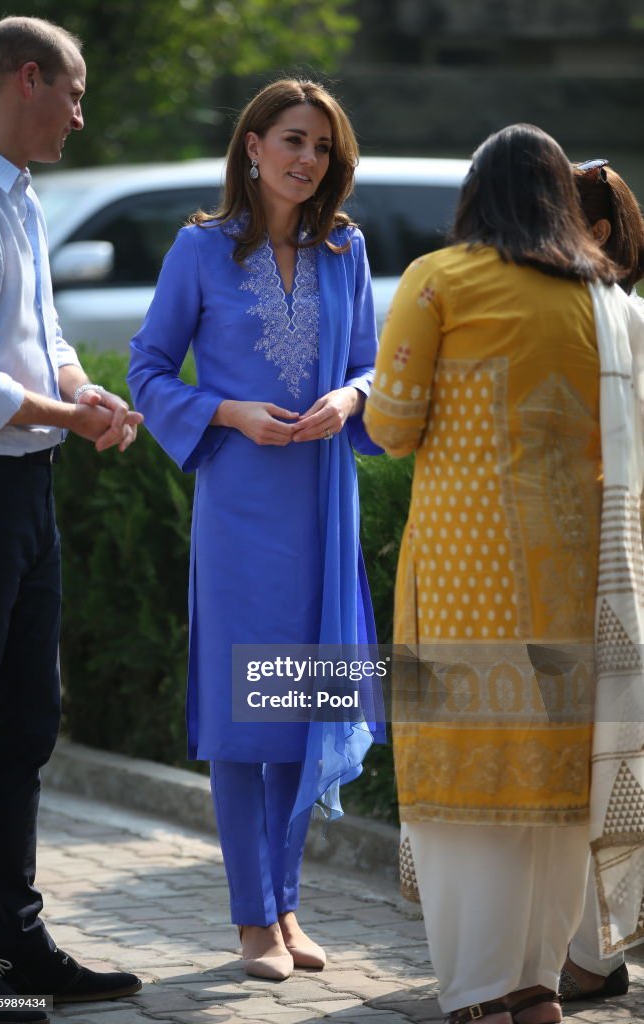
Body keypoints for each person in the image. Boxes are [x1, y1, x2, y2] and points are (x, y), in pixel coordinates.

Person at [364, 123, 644, 1024]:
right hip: (579, 579)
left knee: (468, 779)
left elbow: (393, 425)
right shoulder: (607, 302)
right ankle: (533, 981)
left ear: (473, 197)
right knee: (554, 779)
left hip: (465, 575)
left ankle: (485, 991)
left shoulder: (439, 280)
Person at [128, 78, 384, 982]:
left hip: (321, 497)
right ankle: (250, 923)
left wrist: (351, 395)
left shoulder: (343, 249)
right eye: (292, 139)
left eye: (321, 146)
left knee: (302, 703)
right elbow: (148, 367)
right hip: (240, 507)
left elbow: (370, 364)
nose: (307, 158)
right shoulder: (199, 250)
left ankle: (286, 907)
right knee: (244, 710)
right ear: (251, 147)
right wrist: (227, 412)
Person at [0, 17, 143, 1023]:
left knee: (27, 722)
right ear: (26, 79)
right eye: (71, 93)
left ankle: (16, 943)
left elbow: (43, 335)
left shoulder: (17, 195)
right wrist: (68, 415)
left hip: (25, 490)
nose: (80, 113)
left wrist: (84, 395)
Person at [558, 158, 644, 1004]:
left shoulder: (612, 320)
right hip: (602, 573)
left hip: (611, 574)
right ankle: (588, 952)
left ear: (599, 233)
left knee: (600, 758)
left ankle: (592, 954)